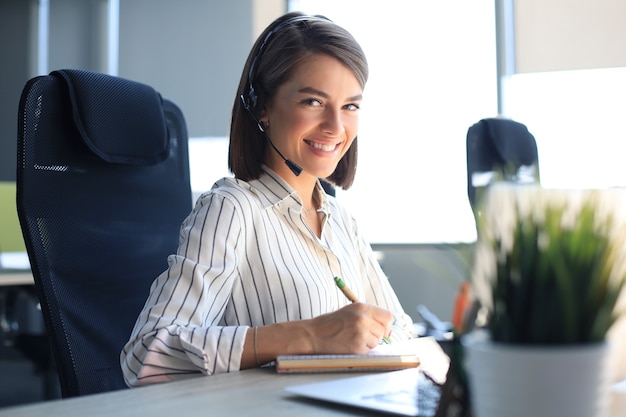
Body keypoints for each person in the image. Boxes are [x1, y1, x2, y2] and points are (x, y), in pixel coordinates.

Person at [121, 11, 416, 387]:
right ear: (262, 107)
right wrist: (309, 336)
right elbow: (145, 356)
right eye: (313, 101)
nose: (336, 127)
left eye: (350, 106)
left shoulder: (341, 219)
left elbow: (399, 330)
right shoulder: (232, 209)